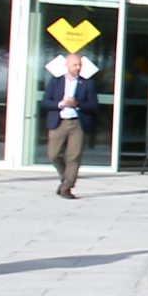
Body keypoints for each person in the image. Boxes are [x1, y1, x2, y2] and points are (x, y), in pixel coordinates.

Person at [41, 52, 99, 199]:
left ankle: (67, 188)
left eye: (80, 65)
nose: (78, 68)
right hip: (59, 121)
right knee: (53, 154)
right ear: (66, 65)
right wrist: (61, 104)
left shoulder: (87, 83)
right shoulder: (55, 82)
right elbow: (45, 102)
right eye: (75, 65)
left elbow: (94, 106)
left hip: (77, 123)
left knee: (74, 156)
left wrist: (77, 104)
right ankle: (65, 179)